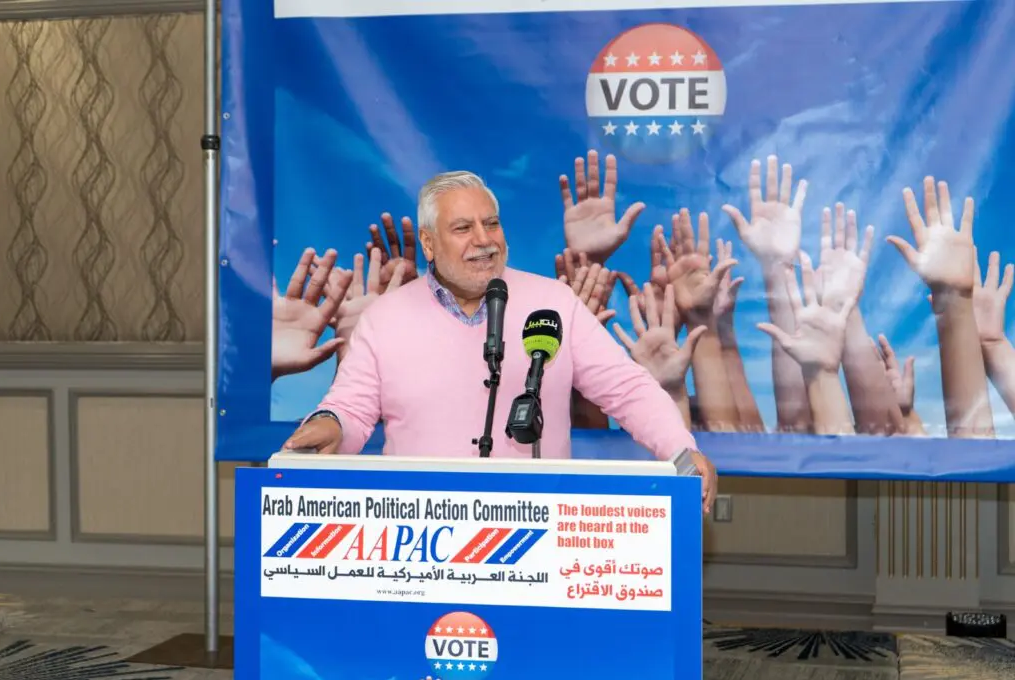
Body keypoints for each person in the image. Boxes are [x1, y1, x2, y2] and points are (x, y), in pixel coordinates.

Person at [283, 170, 717, 511]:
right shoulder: (386, 317)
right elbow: (352, 409)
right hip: (421, 534)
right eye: (463, 228)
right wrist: (329, 424)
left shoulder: (553, 303)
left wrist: (681, 450)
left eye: (491, 223)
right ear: (429, 245)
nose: (484, 240)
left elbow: (627, 390)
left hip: (538, 529)